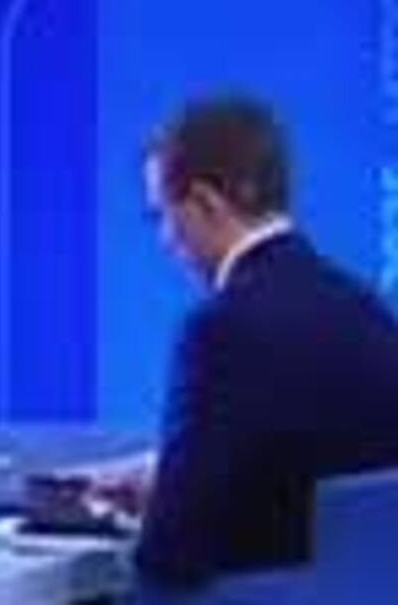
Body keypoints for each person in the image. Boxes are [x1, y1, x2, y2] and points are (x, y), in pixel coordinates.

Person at [118, 94, 398, 589]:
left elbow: (168, 555)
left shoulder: (221, 330)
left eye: (163, 215)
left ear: (205, 203)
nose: (166, 240)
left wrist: (143, 517)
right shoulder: (365, 311)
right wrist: (169, 481)